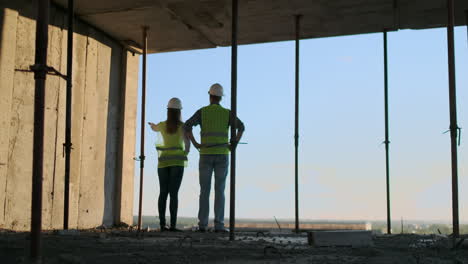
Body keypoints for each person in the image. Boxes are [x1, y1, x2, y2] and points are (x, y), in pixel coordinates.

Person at [184, 83, 245, 232]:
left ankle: (203, 225)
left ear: (210, 96)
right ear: (220, 98)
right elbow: (241, 127)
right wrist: (234, 144)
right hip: (223, 155)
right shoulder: (227, 113)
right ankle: (219, 225)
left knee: (204, 191)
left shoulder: (202, 112)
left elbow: (187, 126)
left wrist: (196, 143)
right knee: (220, 191)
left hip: (205, 154)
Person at [149, 97, 190, 232]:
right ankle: (172, 225)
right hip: (177, 163)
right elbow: (187, 144)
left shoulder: (162, 125)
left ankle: (162, 225)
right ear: (179, 112)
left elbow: (155, 128)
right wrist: (186, 152)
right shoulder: (182, 127)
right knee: (174, 194)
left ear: (168, 111)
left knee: (163, 192)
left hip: (163, 163)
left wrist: (152, 125)